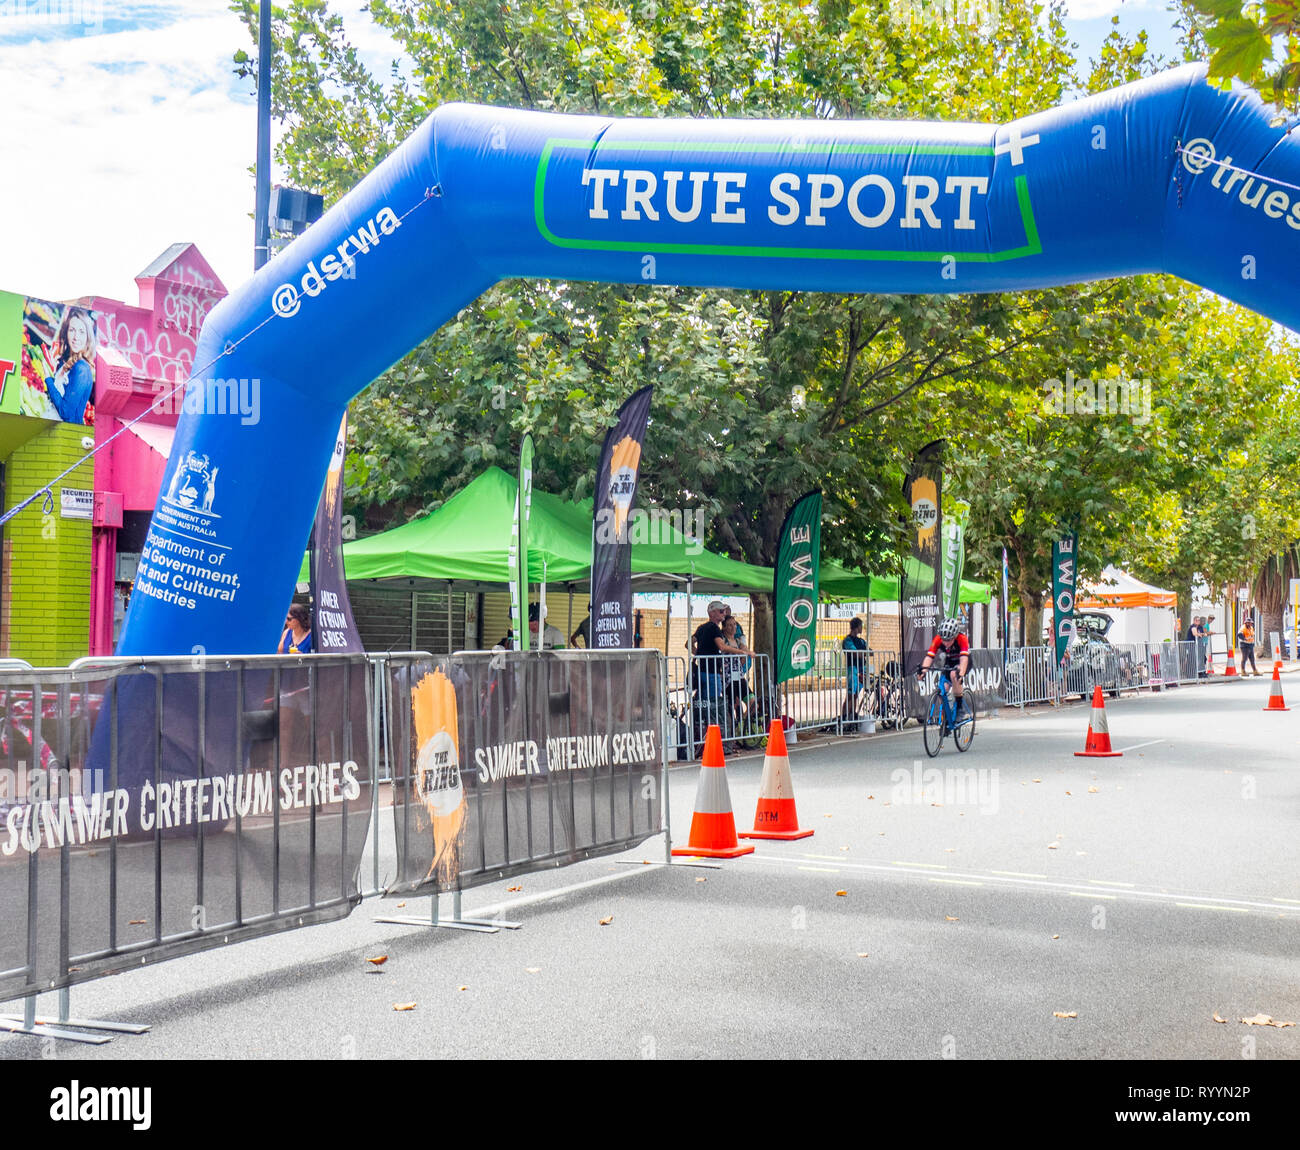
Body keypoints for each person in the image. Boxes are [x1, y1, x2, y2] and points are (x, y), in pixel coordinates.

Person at [44, 306, 97, 424]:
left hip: (64, 435)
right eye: (72, 330)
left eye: (81, 332)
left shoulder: (82, 368)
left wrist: (48, 378)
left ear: (88, 336)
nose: (76, 337)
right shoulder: (68, 360)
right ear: (66, 332)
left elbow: (65, 413)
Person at [916, 617, 971, 722]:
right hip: (950, 661)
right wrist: (923, 671)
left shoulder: (962, 639)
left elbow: (964, 659)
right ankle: (946, 718)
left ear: (955, 636)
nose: (945, 642)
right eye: (943, 639)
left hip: (963, 661)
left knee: (954, 675)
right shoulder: (938, 639)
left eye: (949, 640)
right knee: (943, 689)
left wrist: (961, 673)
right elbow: (929, 656)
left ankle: (960, 708)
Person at [841, 616, 869, 721]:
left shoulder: (861, 641)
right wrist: (862, 653)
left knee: (856, 693)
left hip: (862, 668)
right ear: (856, 627)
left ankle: (852, 714)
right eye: (861, 626)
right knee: (850, 693)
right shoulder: (848, 640)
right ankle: (845, 715)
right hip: (852, 668)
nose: (862, 628)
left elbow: (869, 651)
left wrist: (861, 653)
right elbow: (854, 654)